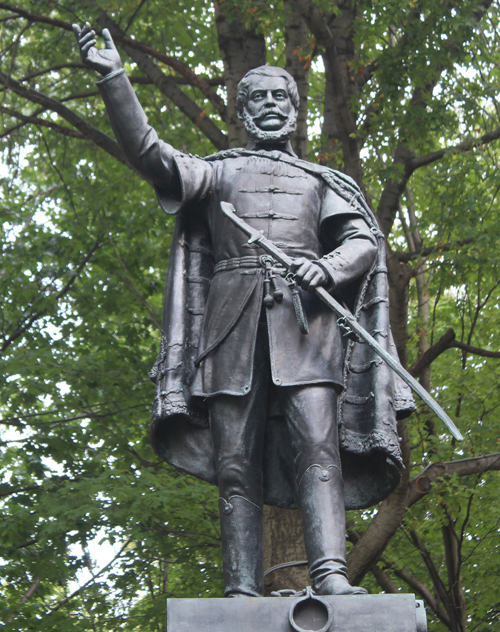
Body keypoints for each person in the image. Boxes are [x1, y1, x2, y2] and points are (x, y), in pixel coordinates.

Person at [74, 23, 414, 598]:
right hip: (231, 328)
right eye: (259, 97)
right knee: (235, 461)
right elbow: (154, 157)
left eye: (282, 96)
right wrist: (115, 80)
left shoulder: (322, 181)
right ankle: (239, 588)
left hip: (309, 328)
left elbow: (362, 242)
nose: (272, 105)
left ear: (297, 110)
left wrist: (327, 269)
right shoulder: (219, 171)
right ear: (243, 110)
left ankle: (330, 575)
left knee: (319, 449)